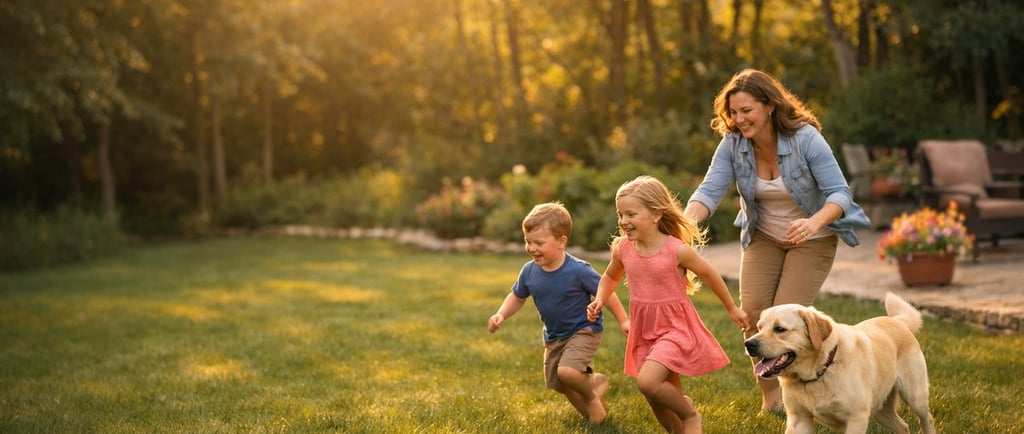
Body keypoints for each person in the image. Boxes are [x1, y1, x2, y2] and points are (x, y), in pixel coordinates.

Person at [682, 68, 871, 413]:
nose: (739, 120)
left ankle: (810, 395)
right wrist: (682, 224)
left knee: (784, 321)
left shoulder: (805, 138)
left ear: (769, 105)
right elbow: (709, 190)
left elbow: (840, 193)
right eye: (733, 113)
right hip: (764, 235)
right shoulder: (733, 144)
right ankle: (772, 398)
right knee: (754, 315)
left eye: (746, 111)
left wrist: (813, 223)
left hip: (813, 238)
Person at [586, 176, 749, 433]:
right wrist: (599, 299)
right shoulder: (623, 248)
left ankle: (690, 414)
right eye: (620, 214)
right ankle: (679, 428)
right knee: (657, 399)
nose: (623, 221)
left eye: (631, 213)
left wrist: (731, 307)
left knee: (648, 382)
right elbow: (610, 276)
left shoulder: (676, 250)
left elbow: (709, 274)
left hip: (674, 328)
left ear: (656, 215)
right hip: (644, 328)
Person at [487, 202, 629, 425]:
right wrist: (501, 314)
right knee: (559, 383)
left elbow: (607, 292)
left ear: (562, 242)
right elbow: (517, 296)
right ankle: (595, 395)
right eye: (528, 241)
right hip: (554, 336)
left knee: (568, 373)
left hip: (584, 330)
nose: (532, 248)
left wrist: (623, 320)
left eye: (539, 243)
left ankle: (591, 399)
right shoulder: (529, 271)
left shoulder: (578, 270)